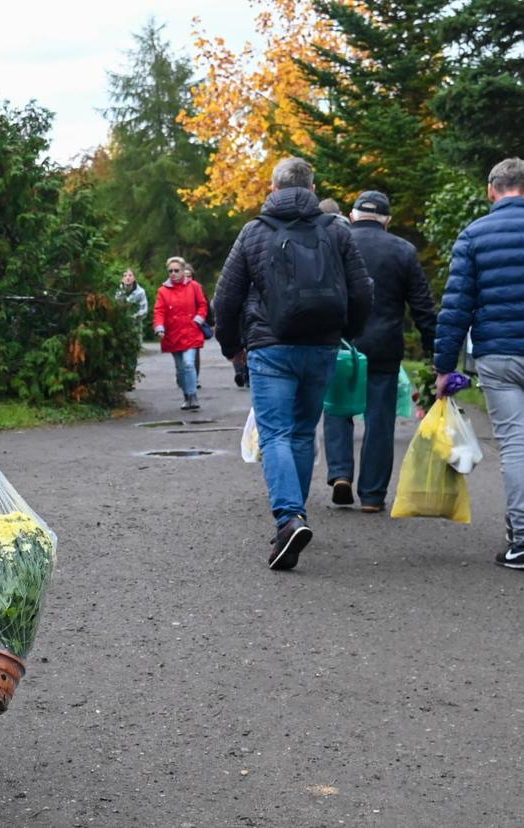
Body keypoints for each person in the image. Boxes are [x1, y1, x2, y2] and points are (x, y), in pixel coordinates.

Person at [213, 157, 372, 570]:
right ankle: (296, 517)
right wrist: (346, 332)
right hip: (321, 345)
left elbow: (226, 298)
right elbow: (362, 289)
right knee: (302, 433)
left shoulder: (254, 232)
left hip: (271, 346)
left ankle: (289, 519)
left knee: (276, 434)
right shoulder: (336, 230)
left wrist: (232, 348)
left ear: (273, 186)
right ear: (312, 185)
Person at [434, 157, 524, 570]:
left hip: (500, 354)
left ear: (492, 189)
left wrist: (442, 366)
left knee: (516, 446)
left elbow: (456, 308)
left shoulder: (474, 235)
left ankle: (522, 540)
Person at [324, 191, 435, 513]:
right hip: (384, 347)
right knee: (379, 420)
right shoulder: (403, 250)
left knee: (337, 410)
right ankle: (372, 495)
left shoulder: (335, 244)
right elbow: (422, 306)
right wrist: (433, 350)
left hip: (342, 343)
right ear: (387, 221)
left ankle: (341, 473)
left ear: (354, 215)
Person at [153, 256, 209, 410]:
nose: (173, 273)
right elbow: (159, 311)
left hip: (191, 332)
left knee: (189, 364)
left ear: (183, 271)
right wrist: (159, 327)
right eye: (170, 271)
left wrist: (198, 319)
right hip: (173, 335)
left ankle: (192, 396)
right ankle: (186, 396)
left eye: (176, 270)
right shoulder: (163, 291)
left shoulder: (194, 287)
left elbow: (203, 304)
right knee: (180, 369)